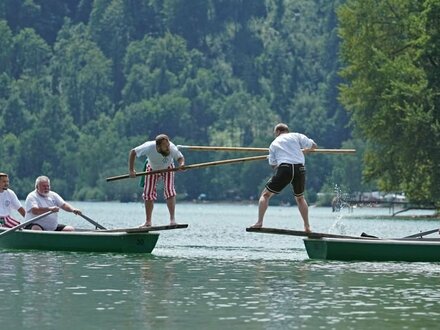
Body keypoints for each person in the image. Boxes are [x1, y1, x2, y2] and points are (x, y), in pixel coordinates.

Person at [251, 123, 317, 232]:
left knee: (265, 195)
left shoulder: (274, 143)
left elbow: (273, 165)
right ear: (287, 130)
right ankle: (307, 226)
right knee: (300, 198)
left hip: (284, 169)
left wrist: (276, 158)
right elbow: (314, 145)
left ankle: (259, 222)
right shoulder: (297, 136)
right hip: (299, 169)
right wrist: (305, 150)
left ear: (277, 132)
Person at [128, 134, 185, 227]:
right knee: (148, 192)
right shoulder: (149, 146)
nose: (168, 148)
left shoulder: (171, 147)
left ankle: (172, 219)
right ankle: (148, 221)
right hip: (152, 168)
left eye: (168, 145)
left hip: (168, 168)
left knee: (169, 190)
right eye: (165, 146)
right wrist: (131, 170)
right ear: (158, 147)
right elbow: (133, 152)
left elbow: (180, 158)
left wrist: (181, 165)